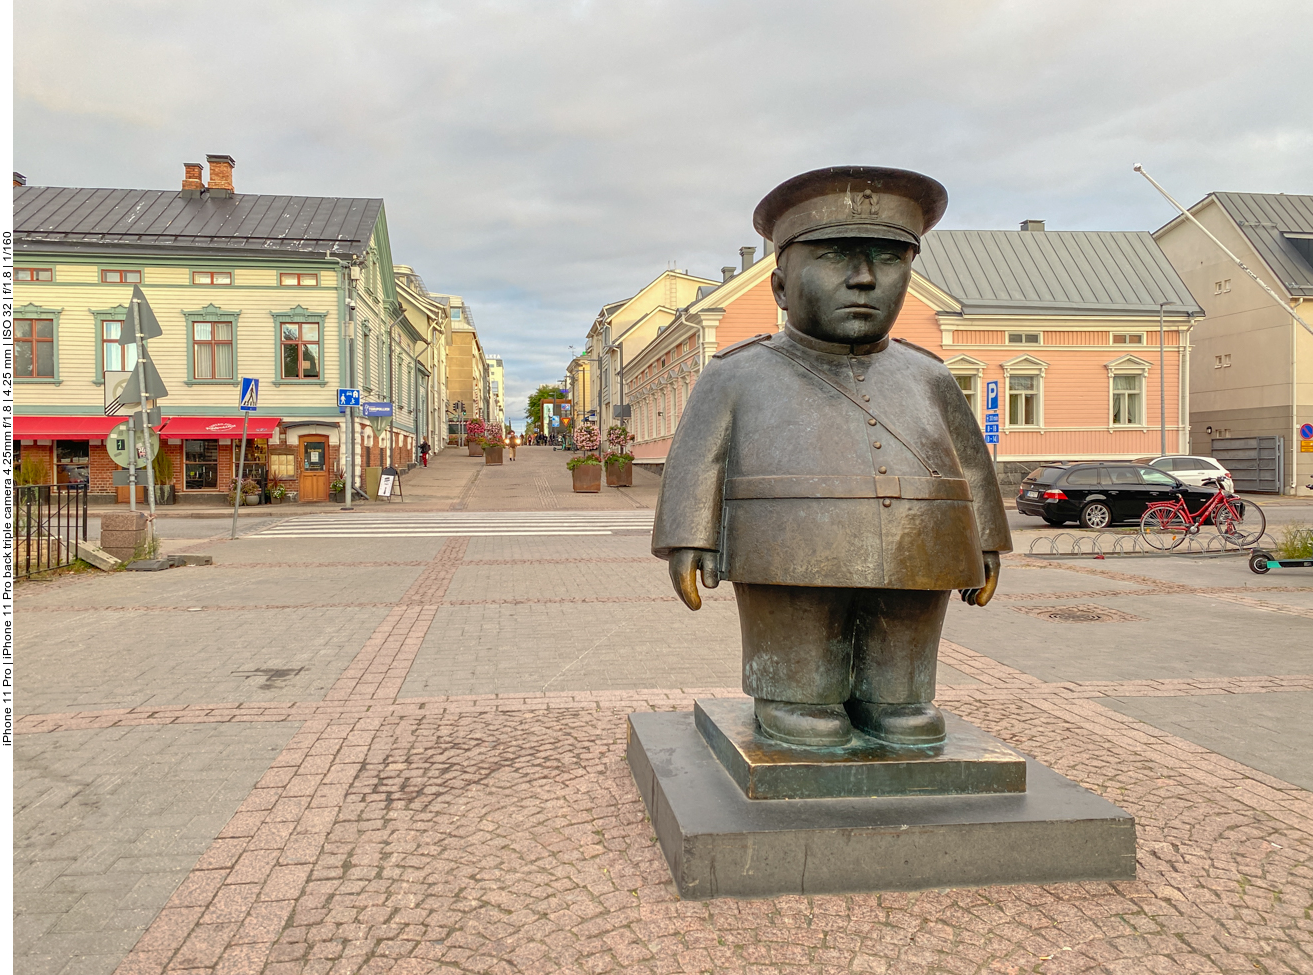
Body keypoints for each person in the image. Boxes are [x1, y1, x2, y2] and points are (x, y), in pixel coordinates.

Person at [652, 166, 1011, 748]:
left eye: (887, 259)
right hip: (787, 543)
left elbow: (970, 461)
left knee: (904, 655)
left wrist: (987, 540)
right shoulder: (736, 372)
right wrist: (688, 537)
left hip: (919, 542)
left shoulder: (929, 375)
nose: (864, 279)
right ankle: (795, 692)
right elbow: (699, 459)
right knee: (801, 631)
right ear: (779, 286)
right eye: (835, 257)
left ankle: (895, 694)